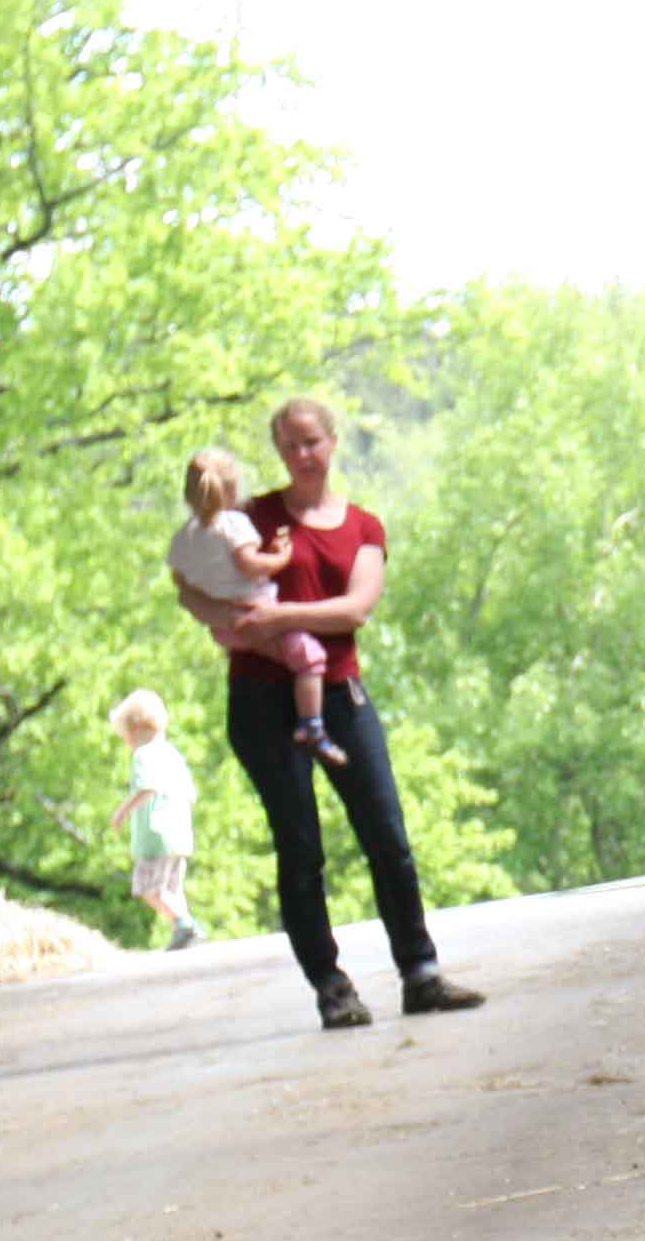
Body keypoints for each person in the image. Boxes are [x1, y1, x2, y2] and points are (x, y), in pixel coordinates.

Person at [170, 396, 486, 1032]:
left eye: (312, 442)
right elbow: (189, 585)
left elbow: (355, 609)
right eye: (289, 446)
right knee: (300, 847)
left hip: (339, 694)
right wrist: (233, 623)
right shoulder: (249, 516)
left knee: (386, 835)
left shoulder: (361, 526)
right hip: (260, 697)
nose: (302, 455)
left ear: (334, 442)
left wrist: (278, 618)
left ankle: (420, 973)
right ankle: (332, 988)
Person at [168, 446, 346, 765]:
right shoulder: (234, 523)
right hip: (257, 612)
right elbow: (249, 565)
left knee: (276, 656)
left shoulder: (183, 537)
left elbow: (181, 582)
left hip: (223, 628)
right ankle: (312, 726)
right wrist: (280, 557)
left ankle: (281, 702)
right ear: (231, 490)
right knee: (310, 658)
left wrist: (216, 594)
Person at [106, 688, 205, 950]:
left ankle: (185, 923)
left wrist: (122, 811)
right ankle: (184, 933)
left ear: (135, 728)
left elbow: (147, 788)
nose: (127, 742)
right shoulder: (172, 754)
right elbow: (191, 793)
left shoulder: (144, 755)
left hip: (156, 836)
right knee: (172, 889)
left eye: (126, 735)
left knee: (149, 888)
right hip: (180, 834)